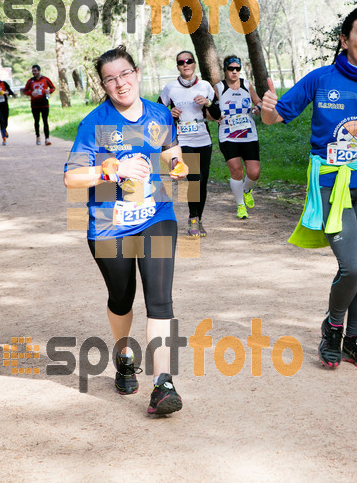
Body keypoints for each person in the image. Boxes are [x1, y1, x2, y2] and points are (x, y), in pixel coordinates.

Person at [261, 8, 357, 369]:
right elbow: (276, 116)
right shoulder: (320, 79)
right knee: (354, 266)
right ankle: (333, 326)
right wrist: (264, 108)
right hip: (333, 184)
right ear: (345, 40)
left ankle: (354, 339)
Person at [63, 45, 188, 415]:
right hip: (108, 225)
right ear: (103, 85)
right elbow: (71, 177)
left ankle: (164, 383)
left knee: (159, 299)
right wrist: (110, 171)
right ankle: (124, 355)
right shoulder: (94, 122)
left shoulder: (159, 112)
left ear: (137, 72)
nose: (120, 83)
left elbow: (169, 147)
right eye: (110, 79)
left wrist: (177, 162)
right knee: (121, 297)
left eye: (125, 74)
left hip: (155, 215)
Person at [159, 50, 220, 237]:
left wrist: (208, 103)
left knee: (202, 182)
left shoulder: (205, 86)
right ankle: (193, 219)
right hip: (183, 140)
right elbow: (158, 114)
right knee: (194, 179)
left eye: (189, 61)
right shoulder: (170, 88)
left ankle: (198, 219)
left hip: (204, 139)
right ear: (177, 66)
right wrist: (169, 114)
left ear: (194, 64)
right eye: (181, 62)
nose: (185, 64)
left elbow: (218, 115)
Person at [215, 55, 262, 220]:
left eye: (237, 69)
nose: (234, 72)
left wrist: (257, 108)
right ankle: (240, 205)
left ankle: (246, 190)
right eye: (231, 69)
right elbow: (210, 110)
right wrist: (215, 116)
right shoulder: (219, 87)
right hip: (228, 135)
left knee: (254, 172)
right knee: (236, 171)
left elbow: (258, 102)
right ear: (225, 70)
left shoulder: (246, 85)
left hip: (248, 134)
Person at [22, 64, 55, 145]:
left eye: (35, 71)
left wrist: (49, 91)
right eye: (33, 71)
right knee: (37, 121)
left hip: (44, 103)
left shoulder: (46, 79)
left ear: (39, 71)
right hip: (34, 104)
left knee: (45, 121)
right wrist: (31, 93)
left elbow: (53, 87)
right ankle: (38, 137)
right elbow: (25, 91)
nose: (34, 72)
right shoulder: (30, 81)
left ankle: (47, 138)